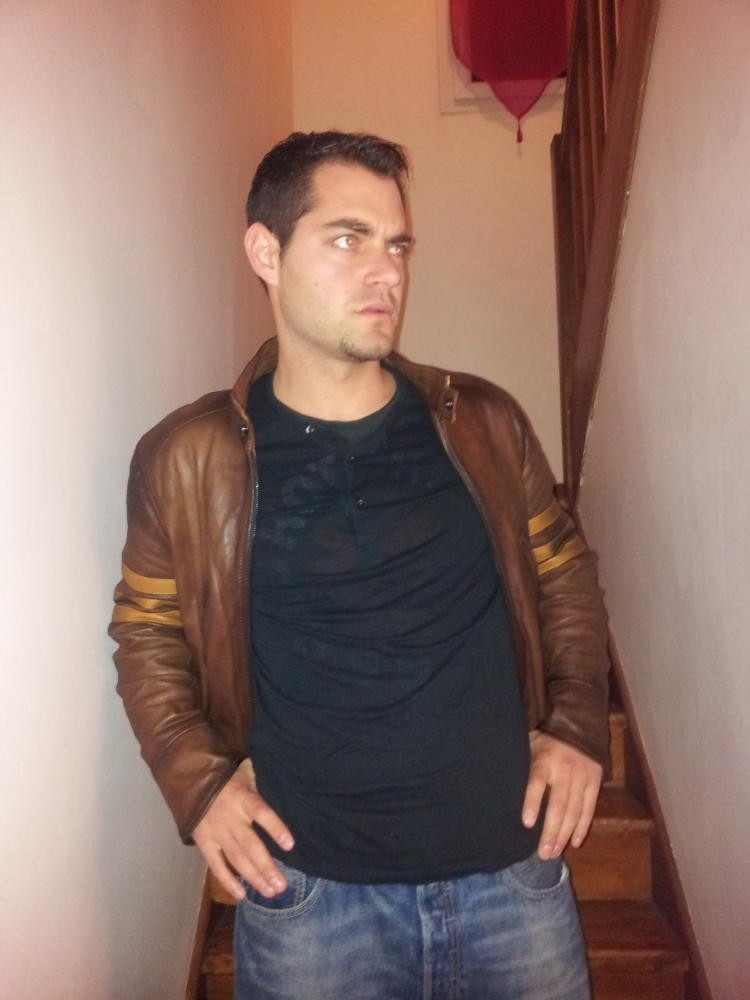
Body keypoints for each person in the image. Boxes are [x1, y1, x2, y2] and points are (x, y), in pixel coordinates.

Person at [110, 130, 609, 999]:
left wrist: (574, 728)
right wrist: (199, 786)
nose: (387, 272)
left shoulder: (482, 424)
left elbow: (562, 573)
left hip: (512, 879)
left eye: (397, 244)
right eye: (349, 239)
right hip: (310, 901)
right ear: (266, 252)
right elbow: (145, 631)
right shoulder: (188, 458)